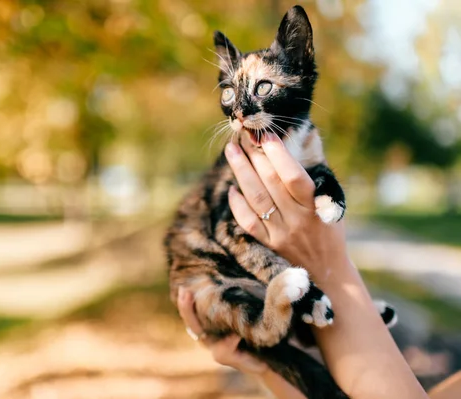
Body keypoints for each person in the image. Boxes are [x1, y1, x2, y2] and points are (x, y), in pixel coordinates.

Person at [176, 132, 435, 399]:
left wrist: (330, 271)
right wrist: (261, 365)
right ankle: (314, 319)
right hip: (231, 284)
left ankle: (314, 317)